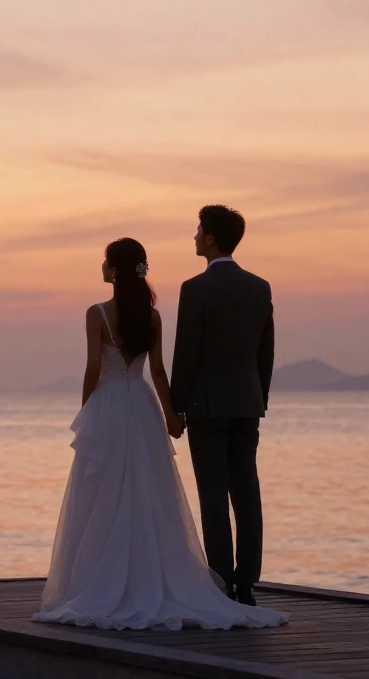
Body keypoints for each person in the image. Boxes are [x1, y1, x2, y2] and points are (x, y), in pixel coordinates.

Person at [33, 237, 286, 631]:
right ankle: (196, 579)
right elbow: (158, 372)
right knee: (149, 493)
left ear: (115, 270)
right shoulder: (151, 317)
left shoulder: (96, 313)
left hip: (110, 407)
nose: (101, 267)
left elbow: (93, 369)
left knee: (105, 494)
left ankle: (104, 578)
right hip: (145, 409)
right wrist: (170, 414)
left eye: (105, 262)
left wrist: (87, 411)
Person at [171, 205, 275, 607]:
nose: (194, 235)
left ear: (212, 237)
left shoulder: (195, 289)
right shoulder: (259, 286)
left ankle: (221, 583)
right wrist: (258, 396)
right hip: (247, 405)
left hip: (207, 407)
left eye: (198, 229)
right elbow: (265, 350)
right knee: (246, 492)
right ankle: (247, 583)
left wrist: (177, 406)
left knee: (213, 495)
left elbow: (187, 351)